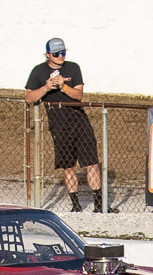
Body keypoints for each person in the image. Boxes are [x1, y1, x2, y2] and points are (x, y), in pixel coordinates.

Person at [24, 37, 116, 213]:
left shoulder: (73, 68)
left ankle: (99, 203)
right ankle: (76, 205)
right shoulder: (38, 71)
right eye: (56, 54)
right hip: (58, 122)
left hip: (78, 119)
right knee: (68, 165)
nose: (60, 56)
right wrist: (46, 88)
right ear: (48, 55)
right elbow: (29, 98)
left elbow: (79, 95)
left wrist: (63, 86)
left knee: (91, 163)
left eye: (63, 53)